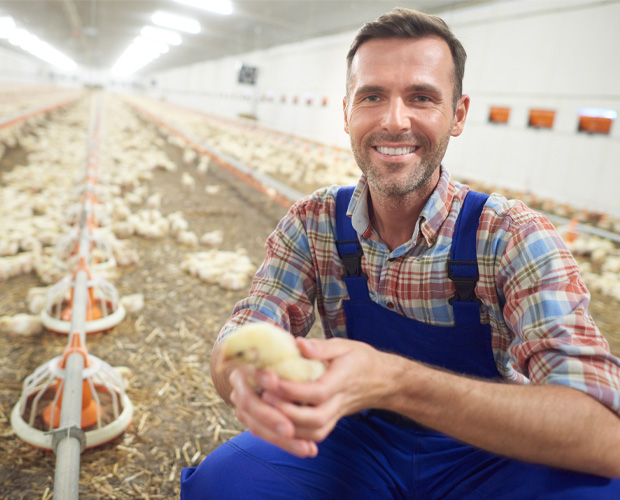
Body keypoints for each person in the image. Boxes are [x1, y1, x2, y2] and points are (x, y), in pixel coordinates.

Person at [181, 8, 620, 499]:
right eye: (372, 96)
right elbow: (244, 332)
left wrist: (394, 381)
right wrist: (239, 374)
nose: (394, 121)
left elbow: (605, 435)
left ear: (458, 115)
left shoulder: (511, 235)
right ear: (346, 111)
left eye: (421, 98)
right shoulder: (313, 223)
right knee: (222, 485)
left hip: (492, 445)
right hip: (354, 438)